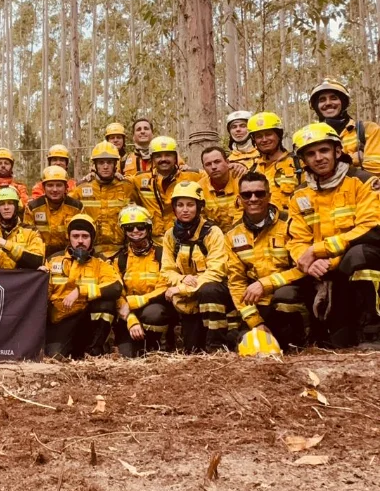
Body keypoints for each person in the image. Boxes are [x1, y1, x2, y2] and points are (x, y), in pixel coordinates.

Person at [287, 122, 380, 347]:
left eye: (324, 150)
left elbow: (372, 228)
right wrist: (308, 263)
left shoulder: (364, 181)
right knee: (340, 341)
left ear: (338, 151)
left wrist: (320, 252)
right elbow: (296, 240)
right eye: (311, 153)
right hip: (325, 272)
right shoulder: (299, 195)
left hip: (358, 261)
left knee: (360, 257)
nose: (318, 158)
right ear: (303, 160)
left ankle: (373, 330)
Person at [225, 172, 308, 351]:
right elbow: (236, 282)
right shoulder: (233, 235)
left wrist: (267, 283)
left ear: (269, 196)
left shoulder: (290, 223)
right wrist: (255, 322)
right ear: (240, 199)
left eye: (259, 193)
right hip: (258, 304)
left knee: (286, 297)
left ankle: (301, 339)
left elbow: (304, 266)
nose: (253, 199)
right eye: (247, 195)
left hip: (290, 296)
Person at [161, 181, 233, 352]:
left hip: (213, 294)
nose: (185, 210)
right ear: (174, 208)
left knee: (209, 290)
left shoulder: (212, 232)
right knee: (192, 349)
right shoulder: (170, 236)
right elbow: (166, 270)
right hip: (188, 302)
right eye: (180, 205)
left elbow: (217, 271)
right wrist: (182, 279)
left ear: (199, 207)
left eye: (190, 205)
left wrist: (184, 288)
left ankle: (217, 347)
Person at [43, 214, 122, 358]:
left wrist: (80, 291)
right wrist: (39, 278)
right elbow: (42, 296)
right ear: (69, 237)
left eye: (85, 236)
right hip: (61, 320)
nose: (80, 241)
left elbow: (115, 287)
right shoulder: (53, 259)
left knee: (106, 304)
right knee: (55, 355)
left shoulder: (101, 262)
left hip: (87, 319)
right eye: (76, 236)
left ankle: (93, 352)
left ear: (92, 238)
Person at [112, 205, 173, 357]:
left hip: (154, 307)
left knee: (154, 313)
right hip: (127, 313)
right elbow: (117, 292)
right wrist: (131, 318)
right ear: (124, 231)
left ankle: (157, 347)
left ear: (148, 228)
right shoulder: (120, 259)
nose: (135, 231)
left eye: (140, 226)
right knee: (128, 355)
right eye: (129, 228)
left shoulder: (162, 254)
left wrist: (138, 301)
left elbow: (165, 286)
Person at [70, 141, 136, 258]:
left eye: (109, 162)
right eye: (101, 162)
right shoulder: (81, 189)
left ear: (116, 164)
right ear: (94, 165)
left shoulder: (127, 187)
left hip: (122, 251)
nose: (105, 166)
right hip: (91, 252)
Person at [131, 136, 201, 239]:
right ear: (152, 159)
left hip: (184, 238)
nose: (163, 159)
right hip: (153, 241)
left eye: (168, 155)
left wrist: (232, 167)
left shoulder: (192, 176)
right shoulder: (140, 179)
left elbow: (214, 175)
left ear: (175, 157)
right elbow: (120, 182)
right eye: (158, 156)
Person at [309, 78, 380, 176]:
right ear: (317, 106)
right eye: (322, 100)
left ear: (343, 102)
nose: (328, 103)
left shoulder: (368, 129)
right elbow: (310, 173)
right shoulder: (311, 137)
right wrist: (355, 159)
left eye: (334, 98)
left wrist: (333, 164)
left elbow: (375, 169)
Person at [25, 165, 84, 257]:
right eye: (50, 185)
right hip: (41, 257)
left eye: (59, 185)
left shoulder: (76, 207)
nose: (55, 189)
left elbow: (82, 236)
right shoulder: (33, 208)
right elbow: (27, 238)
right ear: (43, 187)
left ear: (66, 187)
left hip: (69, 256)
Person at [247, 112, 300, 212]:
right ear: (254, 140)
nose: (264, 139)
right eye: (259, 136)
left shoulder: (297, 164)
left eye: (268, 134)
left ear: (278, 136)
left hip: (292, 224)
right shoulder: (252, 170)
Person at [0, 186, 45, 269]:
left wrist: (5, 244)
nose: (6, 207)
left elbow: (37, 261)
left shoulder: (31, 232)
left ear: (17, 206)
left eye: (10, 203)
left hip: (24, 281)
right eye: (2, 204)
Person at [199, 146, 242, 234]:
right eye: (208, 164)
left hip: (243, 233)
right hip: (214, 237)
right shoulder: (199, 188)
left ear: (227, 162)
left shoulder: (242, 182)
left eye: (217, 162)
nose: (213, 167)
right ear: (203, 168)